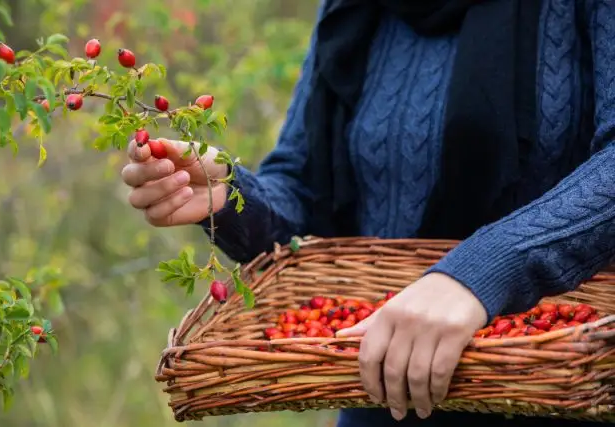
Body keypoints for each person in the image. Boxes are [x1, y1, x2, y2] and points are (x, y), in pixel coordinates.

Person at [121, 0, 615, 426]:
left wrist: (477, 273)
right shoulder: (355, 9)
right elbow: (303, 200)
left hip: (558, 388)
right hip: (380, 395)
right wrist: (228, 194)